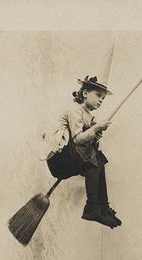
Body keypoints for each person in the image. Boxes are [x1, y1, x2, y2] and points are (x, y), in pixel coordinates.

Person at [43, 75, 122, 229]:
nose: (100, 100)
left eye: (103, 98)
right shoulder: (75, 111)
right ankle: (92, 207)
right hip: (58, 160)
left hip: (71, 155)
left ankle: (102, 207)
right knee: (92, 161)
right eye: (98, 95)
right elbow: (78, 140)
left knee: (98, 162)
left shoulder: (88, 115)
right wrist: (96, 128)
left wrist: (95, 132)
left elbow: (86, 140)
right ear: (85, 93)